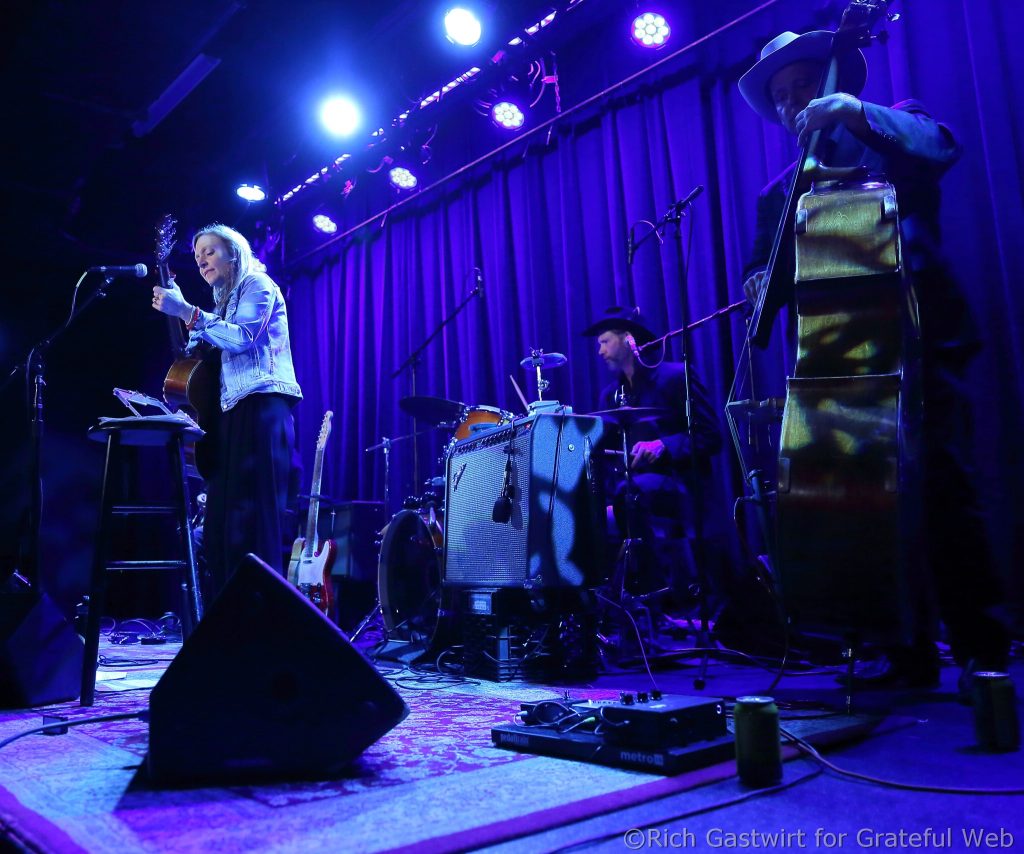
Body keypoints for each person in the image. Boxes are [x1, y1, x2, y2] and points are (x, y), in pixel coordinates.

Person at [738, 31, 1009, 692]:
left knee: (947, 495)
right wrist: (758, 283)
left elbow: (940, 145)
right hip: (835, 370)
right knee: (860, 514)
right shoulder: (780, 194)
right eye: (780, 96)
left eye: (802, 86)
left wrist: (854, 113)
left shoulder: (889, 130)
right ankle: (899, 650)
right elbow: (763, 276)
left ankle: (981, 648)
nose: (791, 103)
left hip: (918, 345)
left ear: (833, 82)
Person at [152, 223, 302, 600]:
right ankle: (228, 614)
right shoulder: (222, 307)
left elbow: (243, 338)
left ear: (233, 254)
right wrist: (186, 318)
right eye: (197, 256)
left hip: (262, 406)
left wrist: (187, 311)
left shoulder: (258, 285)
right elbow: (197, 359)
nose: (202, 260)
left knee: (254, 522)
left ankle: (261, 613)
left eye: (210, 251)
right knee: (222, 528)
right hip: (228, 414)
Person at [582, 306, 723, 604]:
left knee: (631, 493)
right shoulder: (611, 395)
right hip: (631, 489)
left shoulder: (675, 376)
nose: (600, 351)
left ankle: (659, 595)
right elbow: (604, 451)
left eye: (605, 341)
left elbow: (711, 436)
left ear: (629, 339)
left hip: (681, 485)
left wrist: (664, 445)